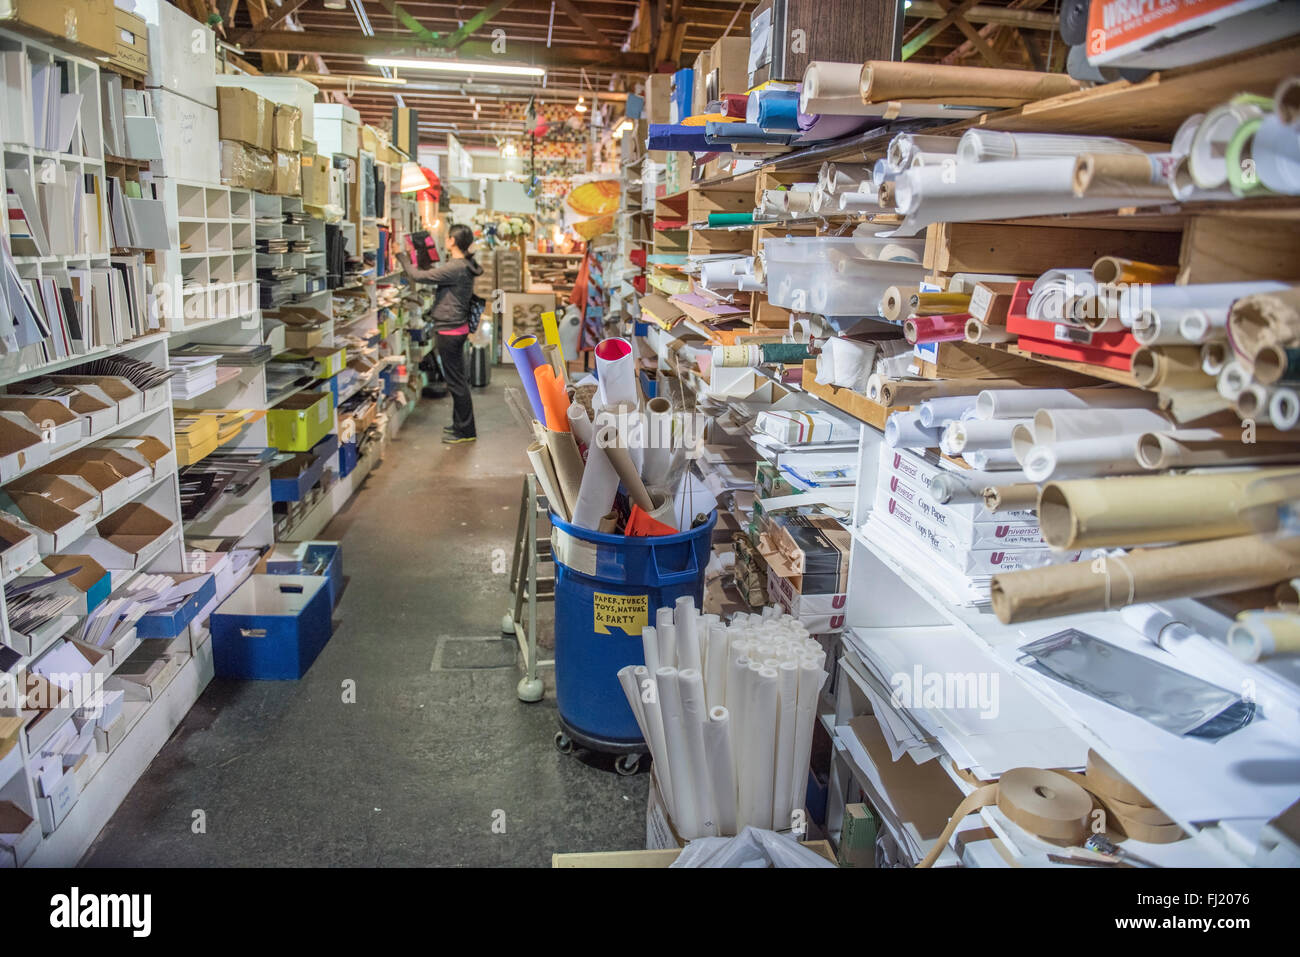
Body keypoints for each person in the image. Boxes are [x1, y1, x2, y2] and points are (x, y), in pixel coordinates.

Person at [397, 223, 482, 444]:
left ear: (453, 241)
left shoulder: (457, 267)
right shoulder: (462, 265)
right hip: (455, 327)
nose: (445, 239)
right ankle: (460, 425)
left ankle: (466, 430)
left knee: (456, 382)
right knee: (457, 380)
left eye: (447, 237)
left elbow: (417, 276)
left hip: (450, 329)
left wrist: (401, 256)